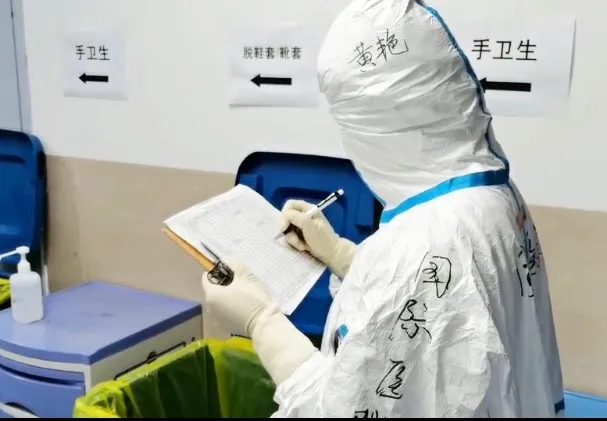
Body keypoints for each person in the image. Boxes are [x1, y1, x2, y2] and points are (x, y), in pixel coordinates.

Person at [201, 0, 564, 417]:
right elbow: (438, 302)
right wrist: (340, 255)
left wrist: (262, 321)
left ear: (373, 127)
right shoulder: (491, 194)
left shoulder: (423, 242)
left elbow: (339, 410)